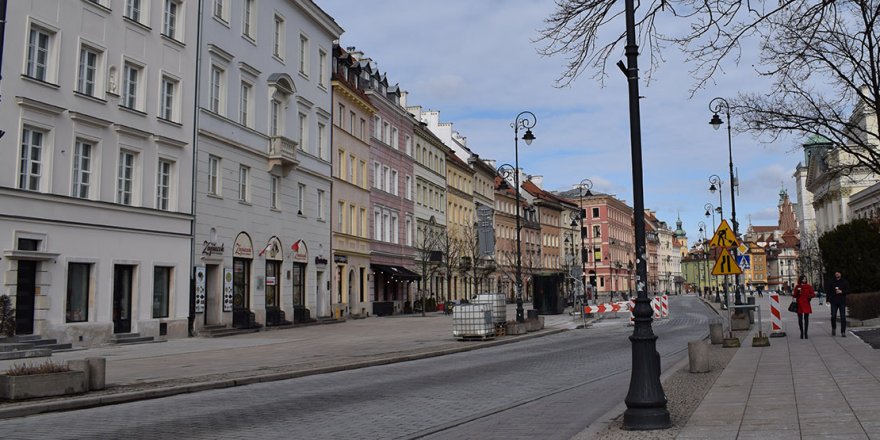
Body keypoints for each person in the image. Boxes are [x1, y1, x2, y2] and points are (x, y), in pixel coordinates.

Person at [792, 275, 815, 339]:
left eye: (805, 279)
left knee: (806, 319)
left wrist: (808, 296)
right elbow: (794, 295)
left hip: (806, 304)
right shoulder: (797, 286)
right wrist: (797, 292)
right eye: (803, 279)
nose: (804, 280)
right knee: (800, 319)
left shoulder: (808, 286)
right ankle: (801, 332)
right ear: (800, 279)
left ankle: (806, 333)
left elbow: (813, 294)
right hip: (799, 304)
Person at [828, 271, 849, 337]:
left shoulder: (844, 282)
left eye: (838, 273)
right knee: (833, 316)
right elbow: (828, 291)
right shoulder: (832, 281)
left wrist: (841, 291)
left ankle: (843, 331)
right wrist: (828, 300)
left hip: (842, 301)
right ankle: (833, 328)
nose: (837, 274)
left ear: (840, 274)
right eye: (836, 273)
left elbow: (848, 290)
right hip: (833, 302)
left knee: (843, 317)